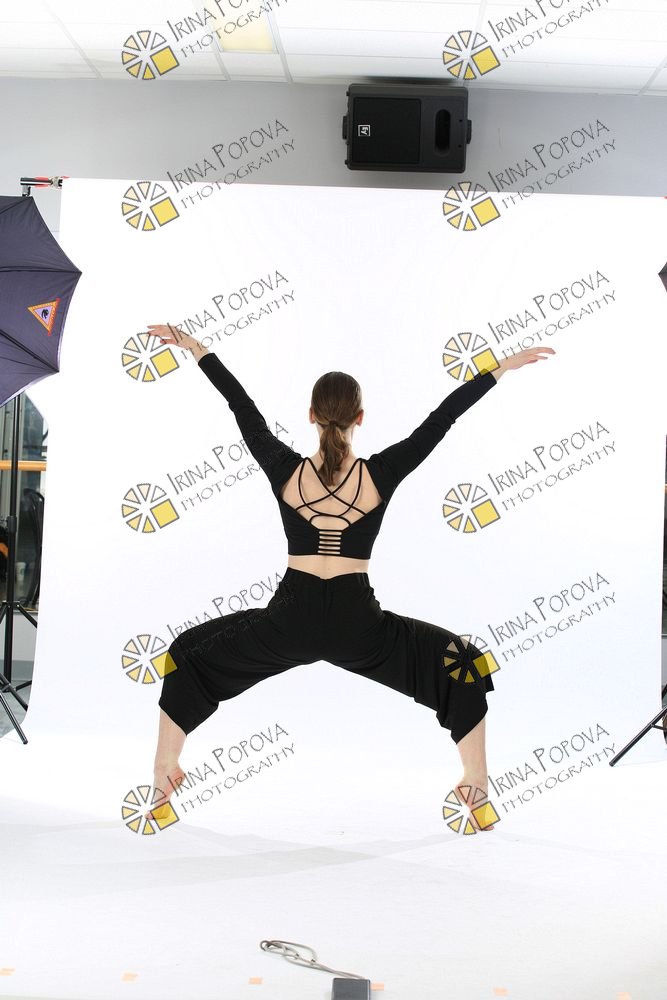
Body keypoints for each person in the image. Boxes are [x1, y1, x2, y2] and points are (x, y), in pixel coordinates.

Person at [145, 323, 555, 830]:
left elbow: (241, 407)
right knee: (462, 663)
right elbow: (441, 420)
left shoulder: (284, 469)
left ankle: (163, 777)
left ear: (311, 416)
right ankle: (477, 786)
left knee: (187, 652)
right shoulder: (380, 474)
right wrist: (499, 370)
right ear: (360, 418)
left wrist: (197, 348)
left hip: (288, 620)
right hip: (357, 624)